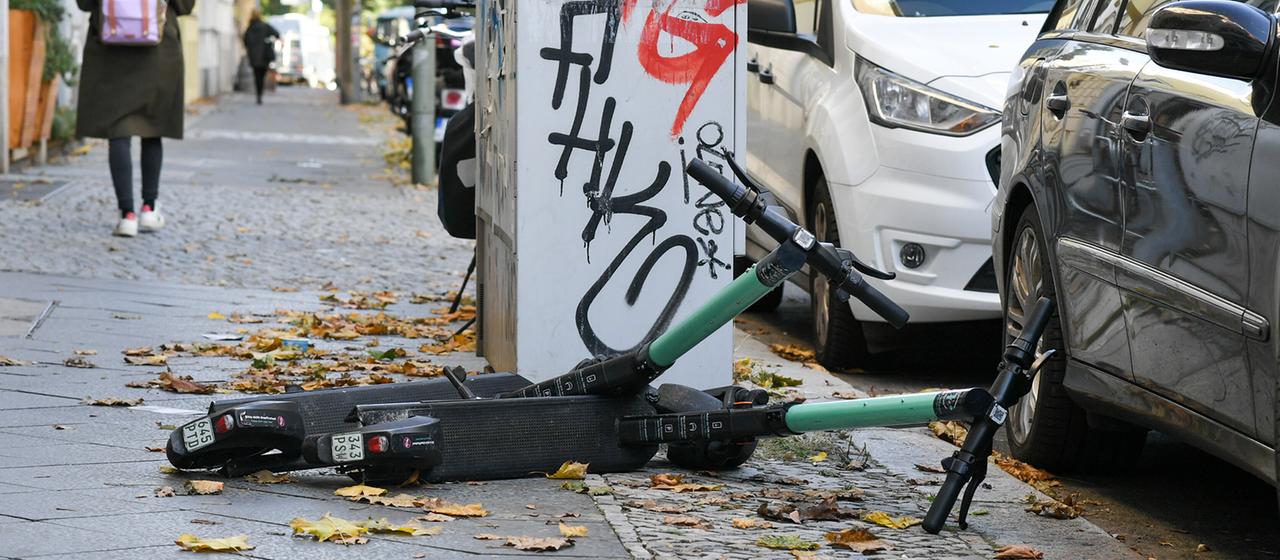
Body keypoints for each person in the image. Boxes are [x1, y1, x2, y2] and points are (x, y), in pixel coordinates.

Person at [76, 0, 195, 237]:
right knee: (153, 127)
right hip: (158, 48)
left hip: (110, 49)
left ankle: (127, 215)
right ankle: (149, 209)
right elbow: (185, 5)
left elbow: (84, 3)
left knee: (117, 129)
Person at [242, 11, 280, 105]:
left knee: (256, 75)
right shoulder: (265, 26)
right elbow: (276, 34)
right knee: (262, 76)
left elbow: (245, 40)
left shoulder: (250, 28)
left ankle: (258, 94)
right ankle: (260, 94)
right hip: (264, 56)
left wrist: (250, 48)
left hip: (254, 56)